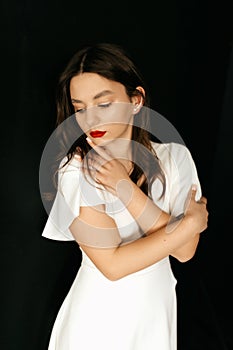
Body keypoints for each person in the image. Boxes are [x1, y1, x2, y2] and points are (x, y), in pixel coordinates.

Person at [41, 42, 208, 350]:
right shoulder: (74, 171)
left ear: (135, 100)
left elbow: (185, 252)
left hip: (155, 316)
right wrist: (185, 225)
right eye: (79, 109)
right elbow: (113, 266)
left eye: (103, 104)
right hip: (97, 321)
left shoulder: (175, 157)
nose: (90, 120)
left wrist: (125, 188)